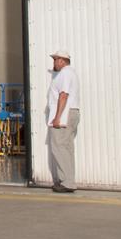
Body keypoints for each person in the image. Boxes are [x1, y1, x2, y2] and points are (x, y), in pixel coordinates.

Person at [47, 49, 80, 193]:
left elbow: (63, 95)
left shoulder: (65, 73)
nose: (54, 62)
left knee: (59, 146)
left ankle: (66, 182)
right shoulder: (71, 73)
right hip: (72, 112)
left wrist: (57, 117)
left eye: (55, 59)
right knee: (66, 147)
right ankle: (67, 180)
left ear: (62, 60)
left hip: (65, 114)